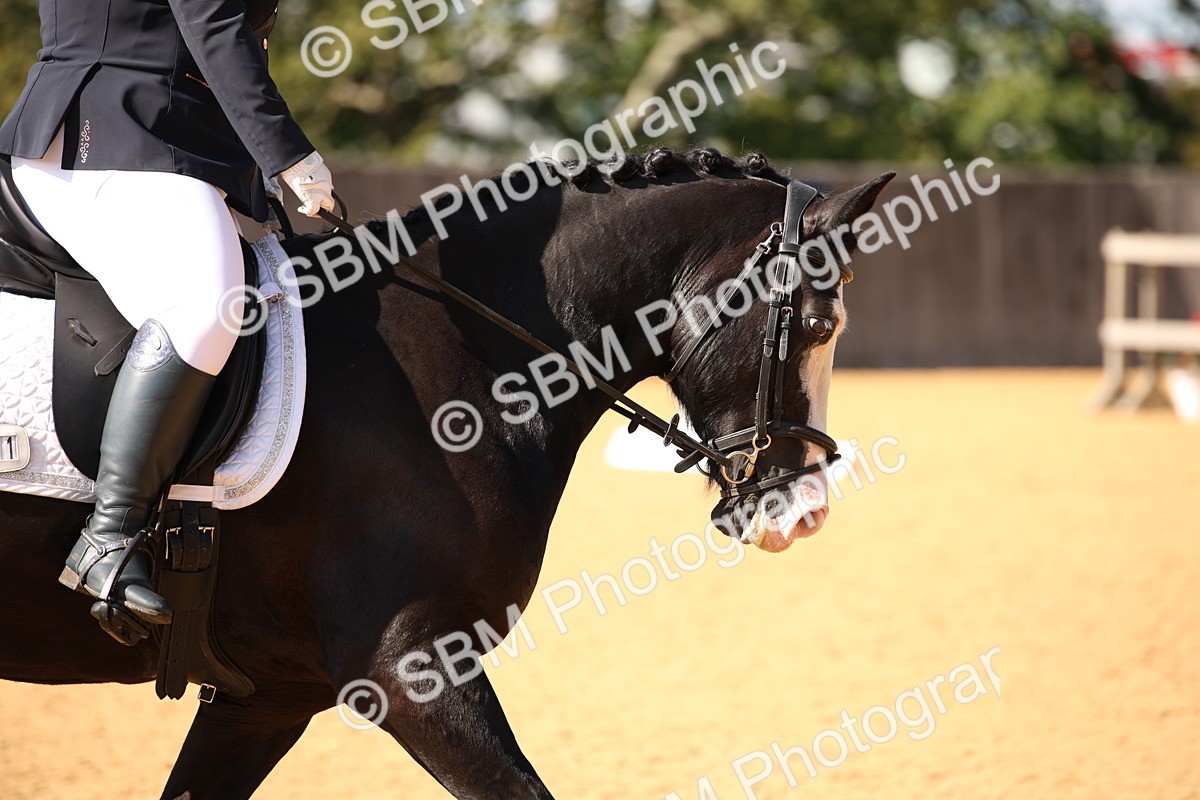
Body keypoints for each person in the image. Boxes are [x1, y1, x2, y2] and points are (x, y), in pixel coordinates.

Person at [0, 0, 335, 643]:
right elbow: (211, 23)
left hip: (164, 136)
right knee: (204, 306)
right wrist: (287, 154)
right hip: (111, 127)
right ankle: (109, 536)